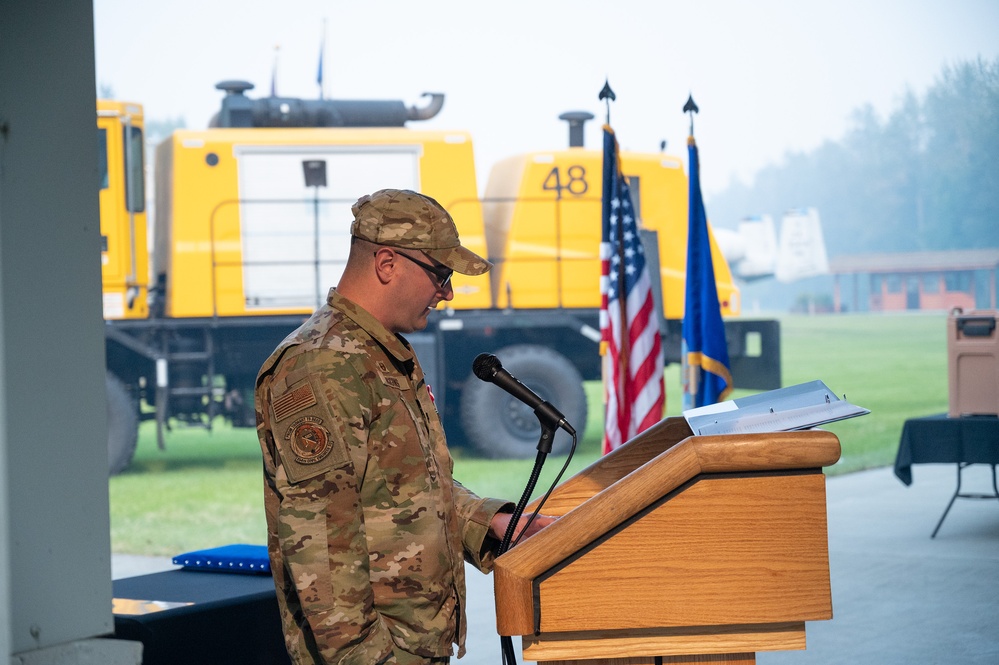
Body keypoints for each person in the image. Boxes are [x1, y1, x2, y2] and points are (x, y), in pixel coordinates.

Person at [254, 189, 555, 665]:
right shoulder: (321, 365)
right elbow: (323, 550)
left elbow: (406, 487)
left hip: (413, 647)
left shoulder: (376, 354)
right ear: (388, 264)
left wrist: (493, 523)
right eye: (440, 274)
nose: (447, 292)